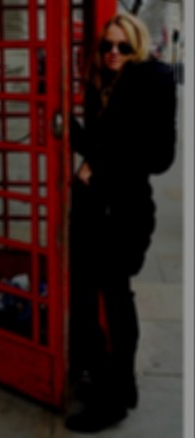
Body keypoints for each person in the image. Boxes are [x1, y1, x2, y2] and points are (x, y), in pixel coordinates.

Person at [67, 12, 176, 433]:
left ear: (138, 46)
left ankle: (116, 395)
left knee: (115, 301)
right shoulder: (102, 84)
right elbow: (98, 141)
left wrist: (101, 165)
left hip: (127, 213)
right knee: (88, 295)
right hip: (95, 210)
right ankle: (111, 381)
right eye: (107, 46)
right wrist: (63, 123)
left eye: (122, 47)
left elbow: (160, 157)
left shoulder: (153, 80)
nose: (113, 53)